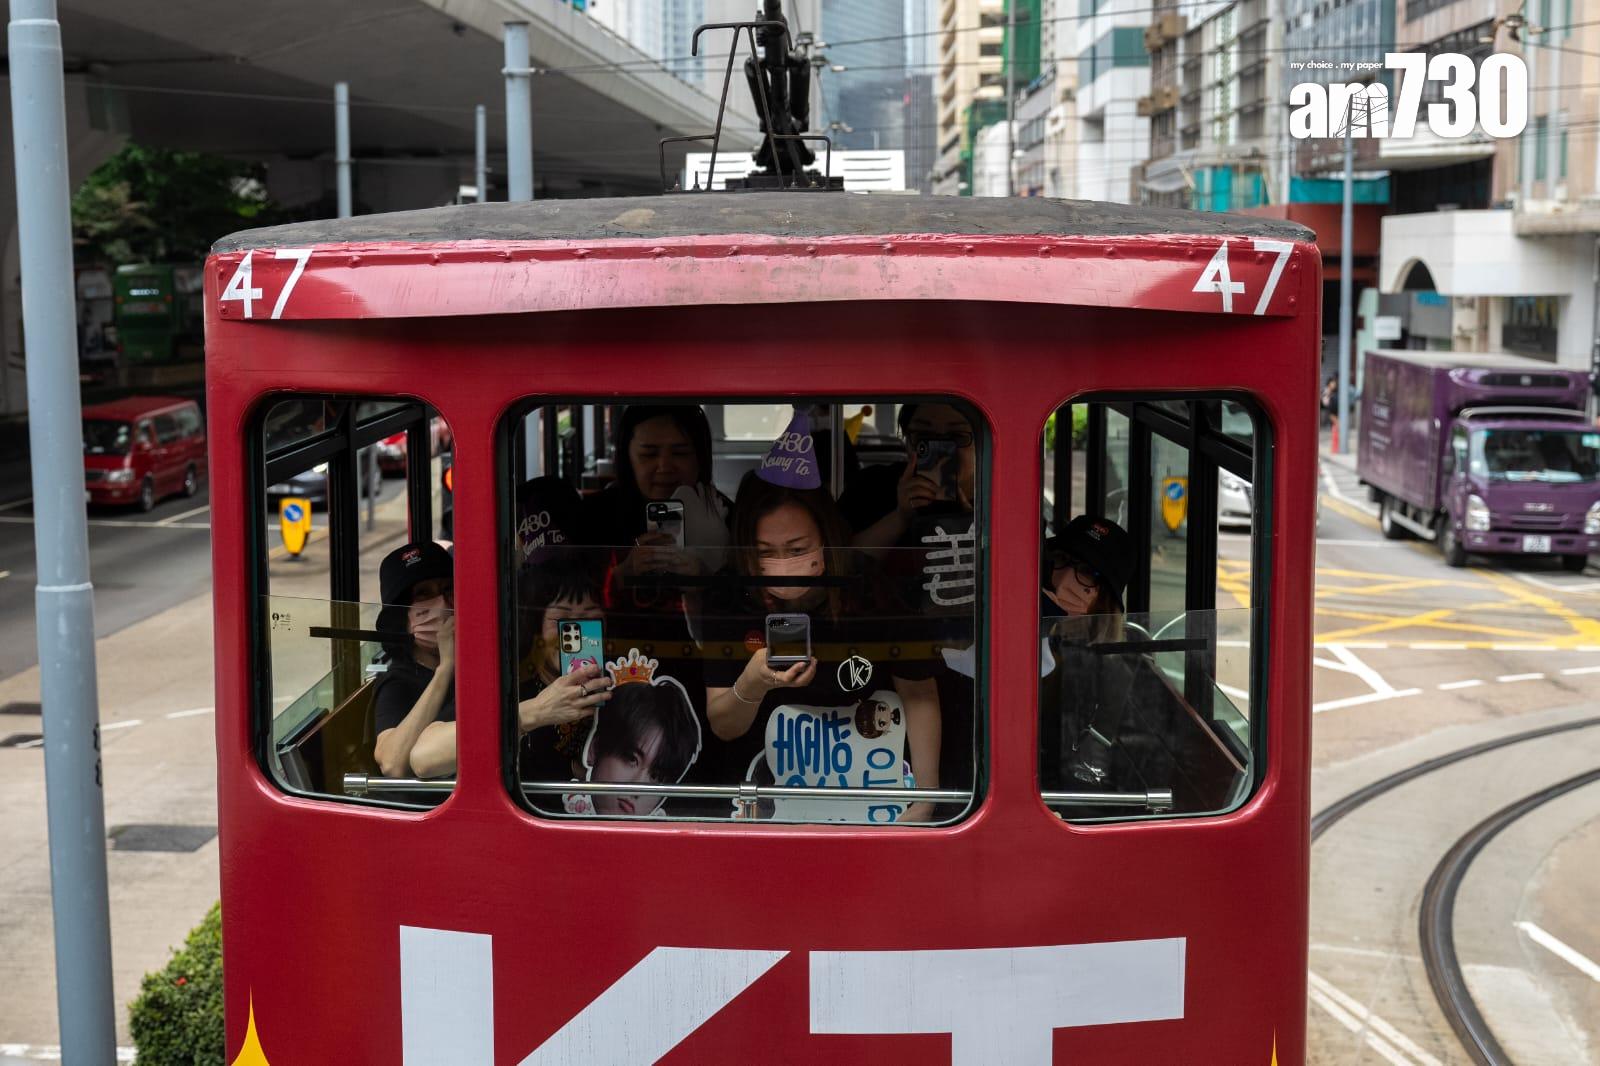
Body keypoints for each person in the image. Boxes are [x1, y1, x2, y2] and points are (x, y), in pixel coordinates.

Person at [702, 417, 943, 822]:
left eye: (797, 548)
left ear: (827, 538)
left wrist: (924, 799)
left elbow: (919, 694)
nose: (783, 566)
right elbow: (724, 725)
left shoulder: (869, 591)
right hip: (765, 809)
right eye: (765, 552)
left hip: (872, 806)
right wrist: (752, 684)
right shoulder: (730, 597)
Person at [405, 560, 615, 781]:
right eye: (560, 620)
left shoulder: (622, 676)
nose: (576, 632)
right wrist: (534, 712)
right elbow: (423, 758)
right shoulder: (508, 681)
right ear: (535, 625)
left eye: (591, 618)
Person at [1038, 515, 1138, 793]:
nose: (1067, 578)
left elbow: (1086, 769)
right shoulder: (1019, 632)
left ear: (1104, 596)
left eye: (1087, 572)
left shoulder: (1108, 670)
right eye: (1062, 559)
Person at [565, 649, 702, 817]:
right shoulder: (551, 814)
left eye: (657, 776)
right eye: (631, 759)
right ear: (594, 748)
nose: (638, 786)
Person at [371, 542, 458, 780]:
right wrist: (446, 668)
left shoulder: (476, 664)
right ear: (402, 620)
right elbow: (392, 764)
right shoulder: (397, 682)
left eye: (448, 588)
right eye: (424, 594)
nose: (442, 603)